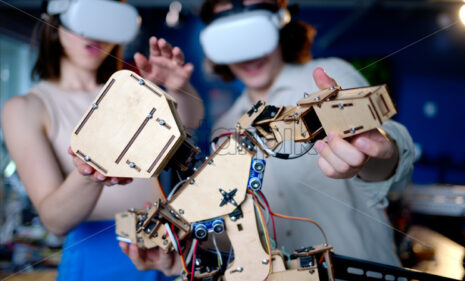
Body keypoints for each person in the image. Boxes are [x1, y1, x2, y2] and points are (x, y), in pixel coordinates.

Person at [120, 0, 415, 276]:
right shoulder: (226, 130)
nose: (248, 52)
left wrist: (374, 156)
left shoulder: (328, 75)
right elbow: (234, 237)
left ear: (280, 23)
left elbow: (395, 158)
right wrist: (183, 256)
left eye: (254, 29)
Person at [0, 0, 204, 280]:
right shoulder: (27, 107)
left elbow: (191, 122)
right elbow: (54, 220)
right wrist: (90, 173)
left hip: (165, 249)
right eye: (85, 18)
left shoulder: (132, 91)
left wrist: (179, 88)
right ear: (56, 21)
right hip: (95, 259)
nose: (94, 34)